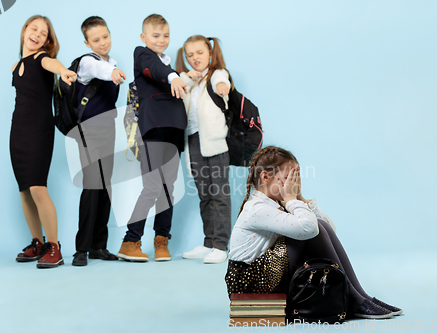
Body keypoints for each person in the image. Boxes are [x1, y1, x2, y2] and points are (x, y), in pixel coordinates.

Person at [225, 146, 402, 319]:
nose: (291, 186)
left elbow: (328, 229)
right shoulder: (257, 208)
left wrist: (299, 198)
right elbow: (310, 230)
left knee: (316, 226)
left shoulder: (275, 205)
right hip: (249, 281)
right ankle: (355, 299)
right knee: (309, 229)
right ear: (265, 177)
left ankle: (360, 296)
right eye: (287, 179)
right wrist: (292, 200)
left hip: (264, 273)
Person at [116, 14, 187, 262]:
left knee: (168, 189)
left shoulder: (171, 64)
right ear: (144, 37)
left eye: (166, 35)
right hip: (154, 129)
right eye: (156, 35)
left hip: (175, 130)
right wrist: (173, 77)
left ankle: (161, 241)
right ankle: (130, 241)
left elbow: (169, 72)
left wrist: (182, 76)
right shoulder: (143, 55)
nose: (162, 40)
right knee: (153, 187)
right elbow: (156, 69)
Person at [11, 15, 77, 268]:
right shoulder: (16, 67)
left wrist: (64, 72)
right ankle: (37, 243)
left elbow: (53, 65)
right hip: (17, 131)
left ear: (47, 41)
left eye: (43, 33)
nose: (36, 34)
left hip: (39, 129)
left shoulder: (42, 59)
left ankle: (55, 247)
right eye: (33, 28)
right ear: (25, 29)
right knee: (24, 191)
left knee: (38, 187)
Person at [71, 16, 126, 267]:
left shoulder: (112, 62)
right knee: (92, 186)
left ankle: (98, 246)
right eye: (96, 39)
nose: (103, 42)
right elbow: (99, 71)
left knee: (106, 187)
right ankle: (81, 249)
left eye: (105, 36)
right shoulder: (88, 62)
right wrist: (112, 71)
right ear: (87, 42)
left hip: (108, 130)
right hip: (89, 132)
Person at [175, 36, 232, 264]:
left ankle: (221, 245)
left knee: (219, 195)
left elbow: (223, 80)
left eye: (199, 52)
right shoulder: (191, 80)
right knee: (205, 195)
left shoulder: (216, 74)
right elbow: (179, 86)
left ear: (209, 53)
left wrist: (222, 87)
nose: (195, 58)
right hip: (194, 142)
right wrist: (186, 77)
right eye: (190, 55)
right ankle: (209, 242)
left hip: (215, 142)